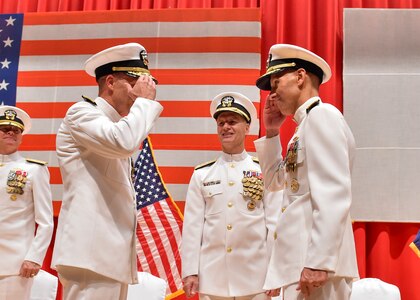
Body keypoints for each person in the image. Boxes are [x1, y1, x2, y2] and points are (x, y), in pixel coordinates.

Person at [51, 43, 163, 300]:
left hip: (108, 255)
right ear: (111, 82)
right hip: (90, 254)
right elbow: (122, 142)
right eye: (136, 80)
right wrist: (145, 103)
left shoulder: (116, 124)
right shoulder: (81, 113)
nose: (143, 89)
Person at [254, 43, 359, 299]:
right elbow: (276, 182)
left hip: (318, 264)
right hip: (303, 261)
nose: (272, 95)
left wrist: (319, 262)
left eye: (276, 83)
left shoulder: (322, 116)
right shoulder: (304, 127)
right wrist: (271, 132)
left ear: (300, 77)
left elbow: (333, 191)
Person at [181, 92, 280, 300]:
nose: (226, 127)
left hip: (256, 280)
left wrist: (275, 271)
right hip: (212, 280)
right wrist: (190, 271)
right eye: (221, 123)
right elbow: (192, 229)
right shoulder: (202, 174)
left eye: (233, 121)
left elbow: (273, 225)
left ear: (247, 127)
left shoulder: (264, 170)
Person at [0, 106, 54, 300]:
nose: (11, 133)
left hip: (14, 265)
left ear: (21, 136)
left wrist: (34, 257)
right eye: (5, 128)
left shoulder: (33, 170)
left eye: (16, 130)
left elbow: (46, 222)